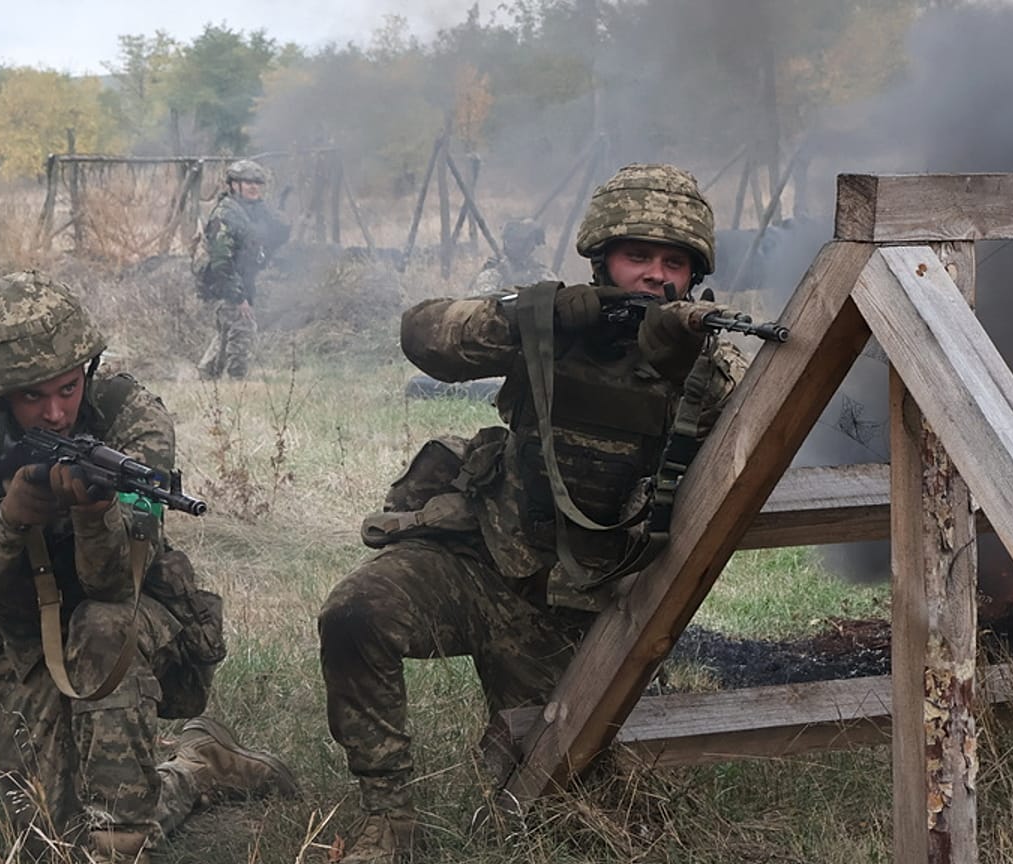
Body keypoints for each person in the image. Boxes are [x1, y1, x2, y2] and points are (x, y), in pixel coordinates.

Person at [317, 164, 748, 862]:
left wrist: (683, 373)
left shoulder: (705, 364)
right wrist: (534, 318)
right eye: (638, 256)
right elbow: (425, 334)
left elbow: (747, 457)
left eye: (674, 264)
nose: (656, 278)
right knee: (355, 614)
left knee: (564, 815)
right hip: (483, 561)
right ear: (602, 256)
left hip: (578, 611)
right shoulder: (548, 324)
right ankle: (388, 820)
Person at [0, 271, 297, 863]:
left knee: (100, 627)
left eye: (68, 390)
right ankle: (196, 768)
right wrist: (10, 520)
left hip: (131, 623)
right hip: (24, 644)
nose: (54, 413)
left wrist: (95, 519)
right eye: (32, 397)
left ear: (87, 373)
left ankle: (123, 849)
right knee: (52, 843)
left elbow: (119, 587)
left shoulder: (131, 421)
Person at [194, 159, 289, 380]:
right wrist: (238, 297)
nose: (254, 187)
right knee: (243, 330)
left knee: (226, 331)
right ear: (234, 185)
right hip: (226, 283)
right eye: (248, 182)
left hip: (242, 280)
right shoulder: (226, 214)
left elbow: (275, 234)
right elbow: (222, 262)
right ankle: (236, 383)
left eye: (257, 182)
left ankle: (206, 375)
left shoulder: (252, 211)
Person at [468, 218, 557, 294]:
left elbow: (555, 291)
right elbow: (482, 301)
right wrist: (507, 280)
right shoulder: (494, 271)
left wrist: (518, 278)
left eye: (533, 242)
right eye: (529, 242)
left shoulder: (536, 268)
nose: (533, 247)